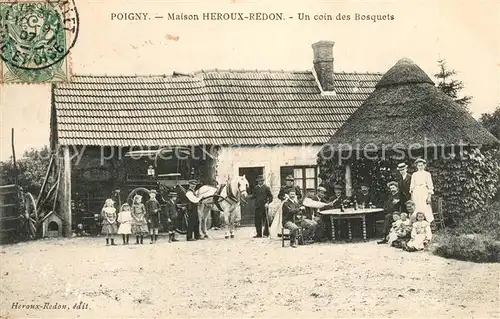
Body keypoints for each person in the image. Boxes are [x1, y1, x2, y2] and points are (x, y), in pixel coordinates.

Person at [410, 158, 435, 223]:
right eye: (419, 165)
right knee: (416, 207)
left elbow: (430, 186)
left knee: (425, 207)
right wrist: (412, 198)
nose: (420, 167)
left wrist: (429, 197)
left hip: (424, 192)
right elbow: (412, 187)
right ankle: (417, 223)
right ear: (417, 166)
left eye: (421, 165)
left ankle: (426, 223)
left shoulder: (427, 174)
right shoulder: (414, 174)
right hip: (416, 192)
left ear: (424, 166)